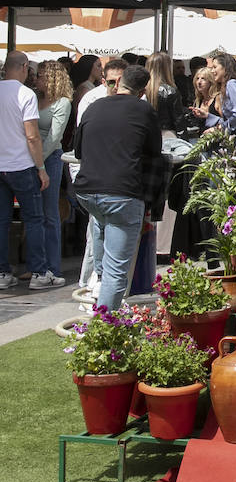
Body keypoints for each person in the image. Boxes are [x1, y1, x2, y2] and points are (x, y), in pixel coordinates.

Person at [74, 64, 162, 311]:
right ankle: (105, 325)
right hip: (122, 193)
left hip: (87, 190)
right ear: (142, 91)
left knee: (101, 232)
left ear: (119, 82)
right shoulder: (143, 110)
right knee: (116, 270)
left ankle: (98, 287)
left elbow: (78, 150)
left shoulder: (94, 107)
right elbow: (154, 151)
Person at [0, 52, 53, 291]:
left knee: (2, 221)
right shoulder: (25, 94)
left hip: (2, 165)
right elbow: (32, 136)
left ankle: (2, 272)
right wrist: (41, 168)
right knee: (34, 219)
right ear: (23, 67)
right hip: (21, 165)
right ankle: (39, 272)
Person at [35, 59, 73, 283]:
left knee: (50, 212)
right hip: (30, 158)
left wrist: (37, 161)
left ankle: (53, 267)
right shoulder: (34, 97)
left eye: (40, 75)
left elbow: (54, 137)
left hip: (49, 159)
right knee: (34, 214)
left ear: (50, 78)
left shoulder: (63, 103)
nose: (35, 79)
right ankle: (37, 265)